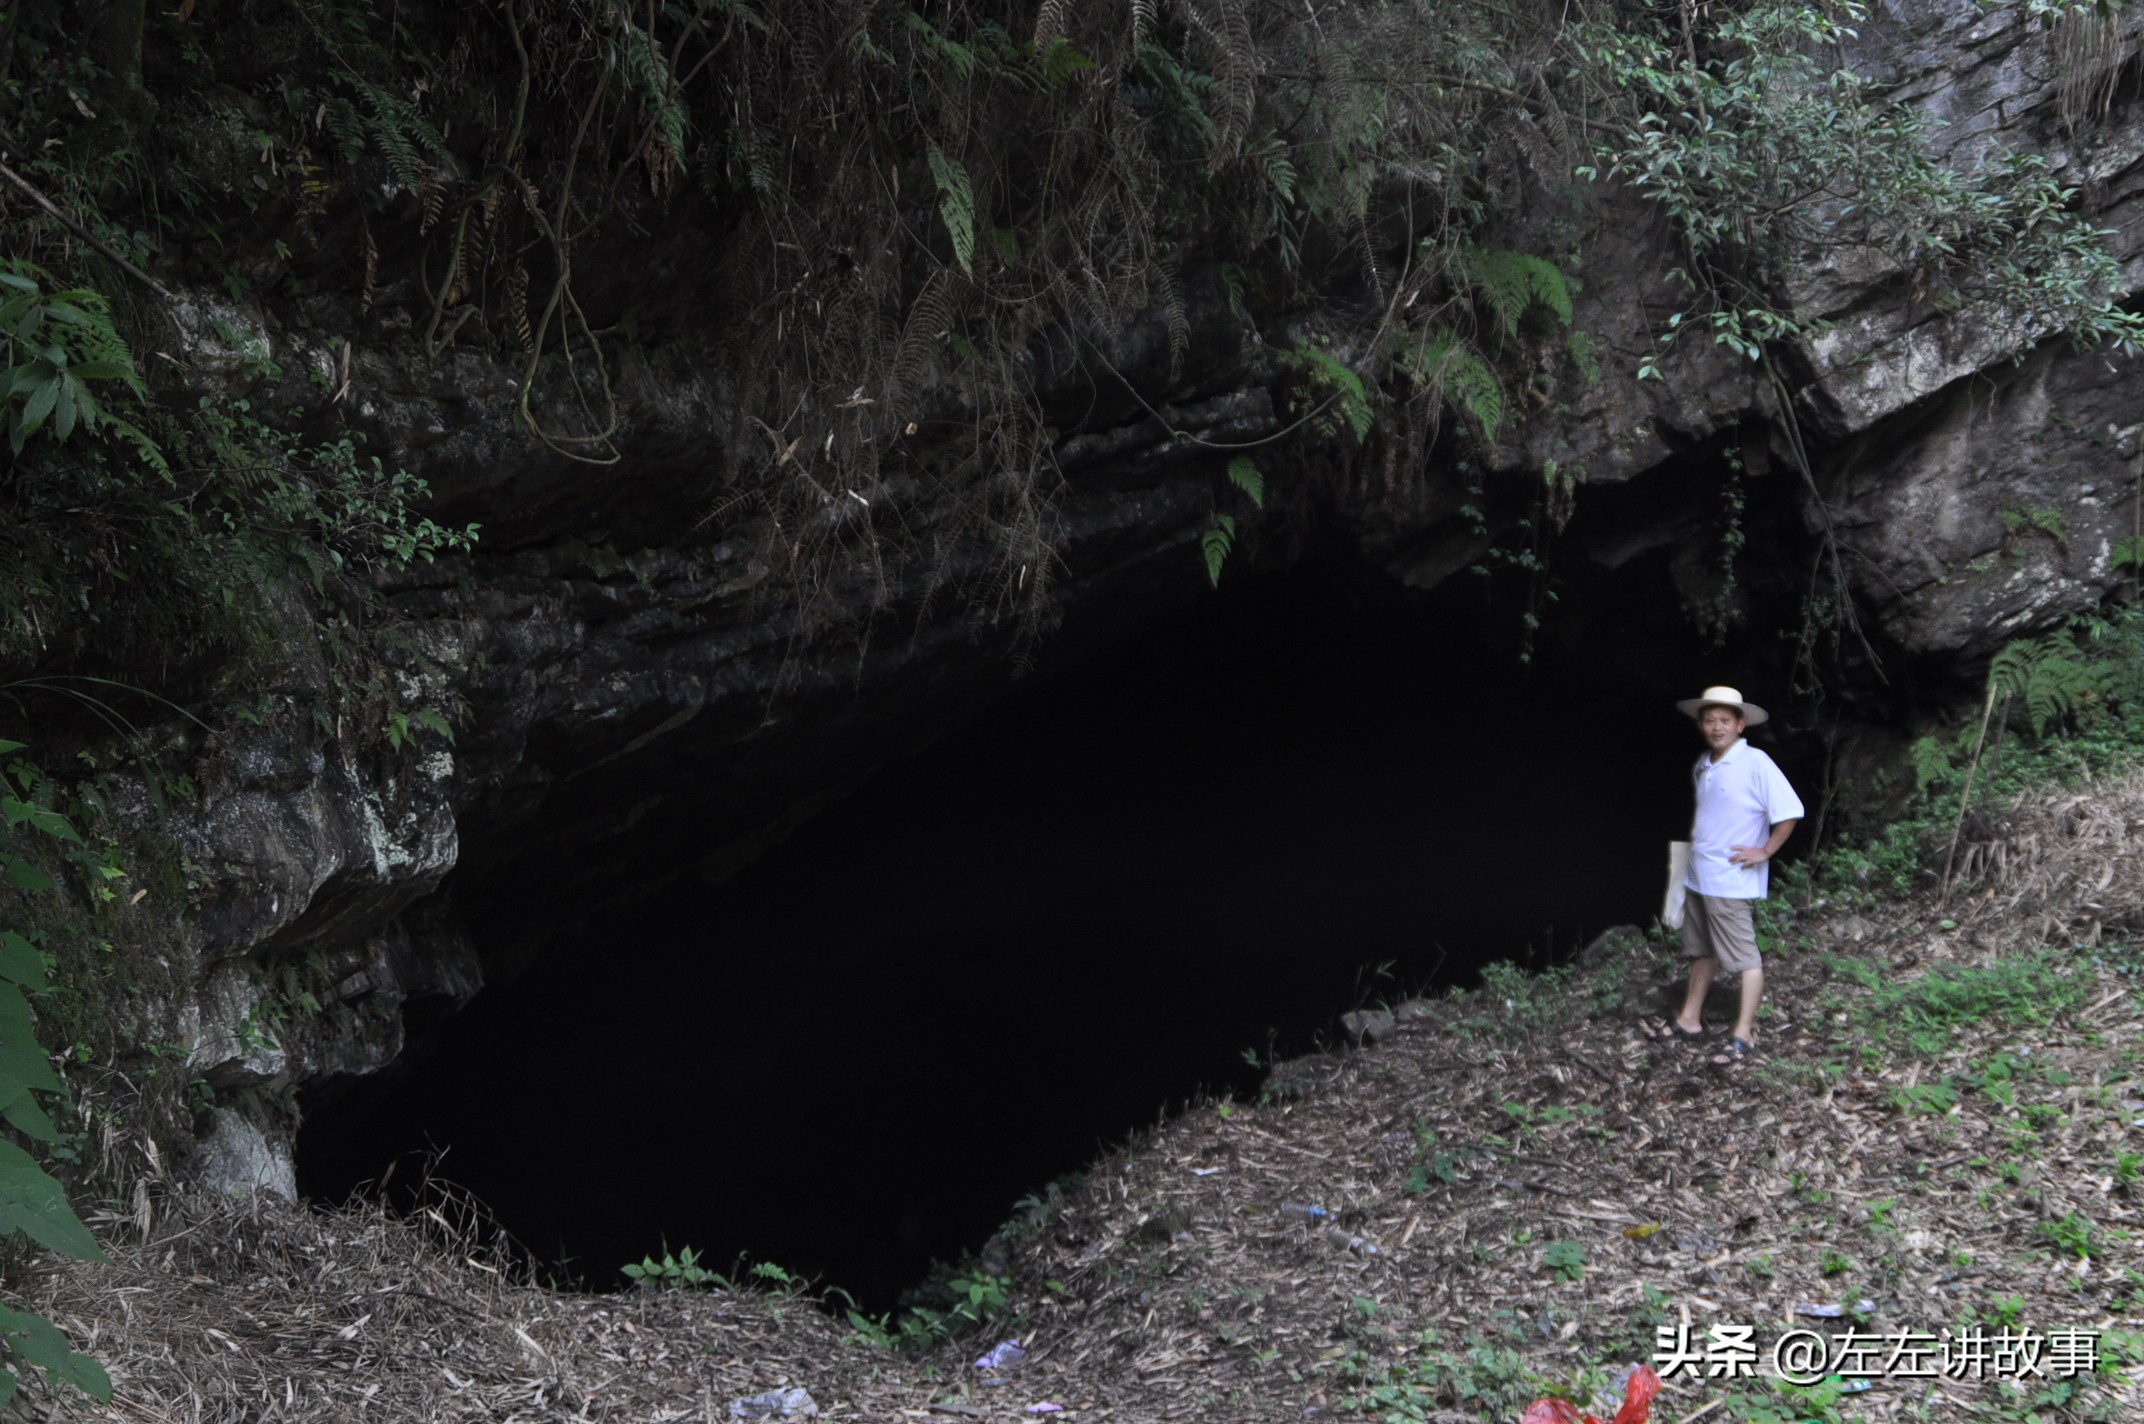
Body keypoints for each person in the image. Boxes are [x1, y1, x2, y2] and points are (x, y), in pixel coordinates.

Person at [1644, 685, 1804, 1066]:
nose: (1717, 727)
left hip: (1730, 880)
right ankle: (1689, 1020)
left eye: (1724, 721)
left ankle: (1743, 1034)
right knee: (1703, 951)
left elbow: (1790, 811)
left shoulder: (1756, 762)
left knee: (1746, 959)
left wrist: (1765, 850)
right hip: (1700, 875)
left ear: (1740, 724)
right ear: (1701, 725)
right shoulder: (1705, 763)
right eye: (1710, 720)